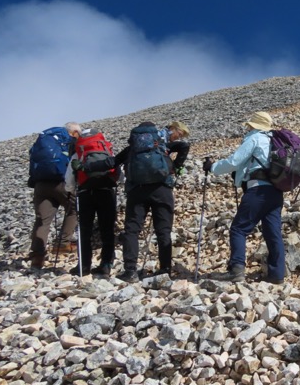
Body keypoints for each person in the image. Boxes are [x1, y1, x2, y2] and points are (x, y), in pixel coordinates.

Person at [203, 111, 285, 284]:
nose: (247, 128)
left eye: (249, 125)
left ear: (254, 126)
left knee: (239, 229)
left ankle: (236, 270)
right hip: (276, 193)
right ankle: (277, 275)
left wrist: (212, 167)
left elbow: (234, 161)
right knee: (273, 233)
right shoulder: (275, 142)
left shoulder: (255, 138)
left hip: (257, 191)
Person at [114, 121, 191, 282]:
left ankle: (130, 271)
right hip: (162, 190)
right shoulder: (161, 145)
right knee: (163, 230)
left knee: (132, 230)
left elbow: (112, 162)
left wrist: (87, 167)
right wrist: (176, 166)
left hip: (137, 191)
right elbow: (184, 146)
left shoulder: (133, 149)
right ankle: (165, 270)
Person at [64, 128, 119, 277]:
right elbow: (118, 171)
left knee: (84, 230)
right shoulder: (107, 149)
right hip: (106, 191)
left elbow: (69, 177)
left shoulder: (79, 152)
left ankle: (84, 265)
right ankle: (106, 264)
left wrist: (71, 190)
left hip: (85, 193)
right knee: (107, 230)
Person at [28, 122, 82, 269]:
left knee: (42, 220)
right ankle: (63, 244)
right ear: (74, 132)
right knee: (74, 209)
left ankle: (37, 258)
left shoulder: (45, 140)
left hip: (40, 185)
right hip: (61, 182)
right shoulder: (69, 141)